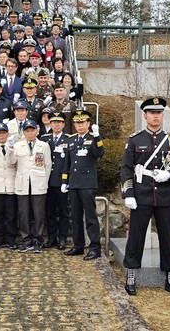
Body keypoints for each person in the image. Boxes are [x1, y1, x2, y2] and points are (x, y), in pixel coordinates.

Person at [121, 97, 170, 296]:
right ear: (145, 115)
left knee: (167, 238)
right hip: (141, 196)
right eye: (151, 112)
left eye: (158, 113)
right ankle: (131, 274)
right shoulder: (135, 139)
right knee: (136, 236)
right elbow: (126, 169)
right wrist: (129, 193)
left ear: (162, 115)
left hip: (165, 196)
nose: (155, 116)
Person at [62, 110, 104, 261]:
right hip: (74, 183)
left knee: (90, 217)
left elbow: (100, 153)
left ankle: (95, 248)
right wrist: (64, 181)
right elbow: (67, 162)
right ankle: (78, 245)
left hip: (87, 184)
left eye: (83, 123)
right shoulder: (71, 140)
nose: (80, 125)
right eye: (77, 123)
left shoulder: (93, 138)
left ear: (88, 124)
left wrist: (97, 135)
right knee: (76, 216)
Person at [10, 120, 52, 253]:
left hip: (38, 183)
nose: (30, 133)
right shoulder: (17, 145)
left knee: (39, 214)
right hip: (22, 182)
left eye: (32, 130)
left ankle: (38, 240)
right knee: (23, 214)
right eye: (27, 131)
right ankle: (26, 240)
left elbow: (48, 165)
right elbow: (12, 162)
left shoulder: (44, 146)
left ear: (37, 131)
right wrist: (10, 149)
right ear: (24, 132)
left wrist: (44, 181)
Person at [41, 112, 70, 250]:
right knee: (50, 211)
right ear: (50, 124)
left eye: (59, 122)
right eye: (54, 122)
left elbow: (69, 162)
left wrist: (67, 179)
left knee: (63, 211)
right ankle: (51, 237)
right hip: (47, 181)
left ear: (63, 124)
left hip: (62, 181)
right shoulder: (44, 138)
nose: (56, 125)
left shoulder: (69, 139)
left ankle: (62, 237)